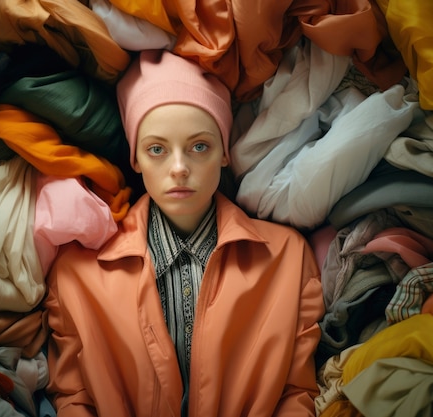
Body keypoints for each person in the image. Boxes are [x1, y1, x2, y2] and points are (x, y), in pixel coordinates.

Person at [44, 49, 325, 417]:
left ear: (224, 152)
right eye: (157, 149)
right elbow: (72, 399)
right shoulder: (75, 275)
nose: (179, 168)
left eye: (199, 147)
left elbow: (297, 392)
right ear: (135, 159)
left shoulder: (287, 257)